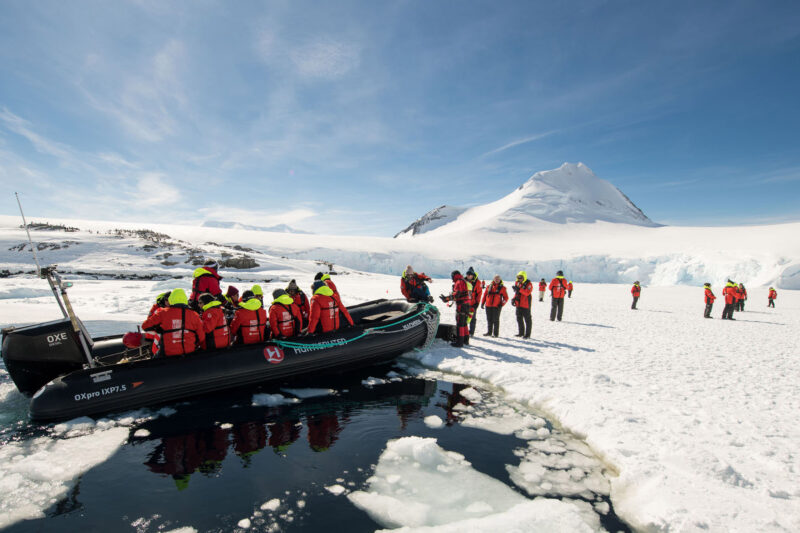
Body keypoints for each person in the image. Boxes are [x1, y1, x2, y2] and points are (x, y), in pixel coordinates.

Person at [142, 288, 205, 357]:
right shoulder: (195, 315)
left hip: (168, 354)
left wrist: (158, 330)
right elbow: (201, 337)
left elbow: (145, 326)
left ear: (171, 300)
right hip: (189, 353)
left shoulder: (163, 313)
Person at [439, 270, 471, 347]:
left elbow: (456, 295)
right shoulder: (463, 281)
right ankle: (465, 340)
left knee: (460, 323)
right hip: (467, 304)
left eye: (452, 276)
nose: (452, 278)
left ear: (454, 275)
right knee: (464, 323)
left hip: (462, 305)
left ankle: (459, 342)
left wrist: (446, 299)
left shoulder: (458, 282)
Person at [512, 271, 533, 337]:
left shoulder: (529, 284)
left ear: (524, 277)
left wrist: (519, 289)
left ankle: (527, 334)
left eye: (520, 277)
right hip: (518, 304)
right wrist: (514, 299)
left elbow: (527, 293)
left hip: (525, 304)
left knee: (527, 319)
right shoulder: (517, 283)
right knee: (519, 318)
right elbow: (517, 293)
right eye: (518, 277)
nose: (519, 279)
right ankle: (521, 333)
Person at [465, 267, 482, 336]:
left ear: (473, 275)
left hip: (473, 303)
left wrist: (477, 303)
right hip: (465, 303)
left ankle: (471, 331)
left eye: (470, 274)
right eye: (467, 274)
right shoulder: (463, 280)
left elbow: (479, 293)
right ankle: (465, 331)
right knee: (464, 318)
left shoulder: (477, 282)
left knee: (472, 318)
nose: (469, 276)